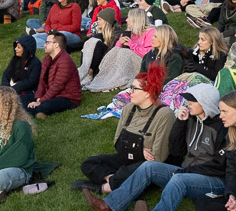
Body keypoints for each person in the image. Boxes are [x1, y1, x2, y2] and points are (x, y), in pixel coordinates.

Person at [82, 84, 228, 211]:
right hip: (188, 172)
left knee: (179, 179)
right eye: (188, 100)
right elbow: (177, 151)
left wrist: (186, 171)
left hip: (213, 179)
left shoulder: (221, 128)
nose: (188, 103)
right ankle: (109, 207)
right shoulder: (192, 120)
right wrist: (180, 123)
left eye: (193, 100)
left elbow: (219, 166)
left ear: (205, 103)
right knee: (148, 167)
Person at [75, 64, 175, 193]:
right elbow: (117, 142)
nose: (130, 92)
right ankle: (114, 180)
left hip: (147, 167)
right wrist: (139, 150)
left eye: (134, 88)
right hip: (127, 159)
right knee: (89, 163)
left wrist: (131, 149)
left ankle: (103, 187)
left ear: (148, 93)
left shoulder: (165, 115)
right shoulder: (128, 109)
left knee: (131, 171)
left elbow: (157, 158)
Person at [27, 32, 81, 119]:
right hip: (52, 93)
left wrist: (40, 101)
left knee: (45, 105)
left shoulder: (65, 61)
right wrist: (38, 97)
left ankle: (35, 112)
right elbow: (42, 80)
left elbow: (57, 86)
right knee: (23, 97)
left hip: (67, 98)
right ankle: (35, 111)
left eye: (47, 42)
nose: (44, 45)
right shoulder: (46, 59)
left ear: (56, 45)